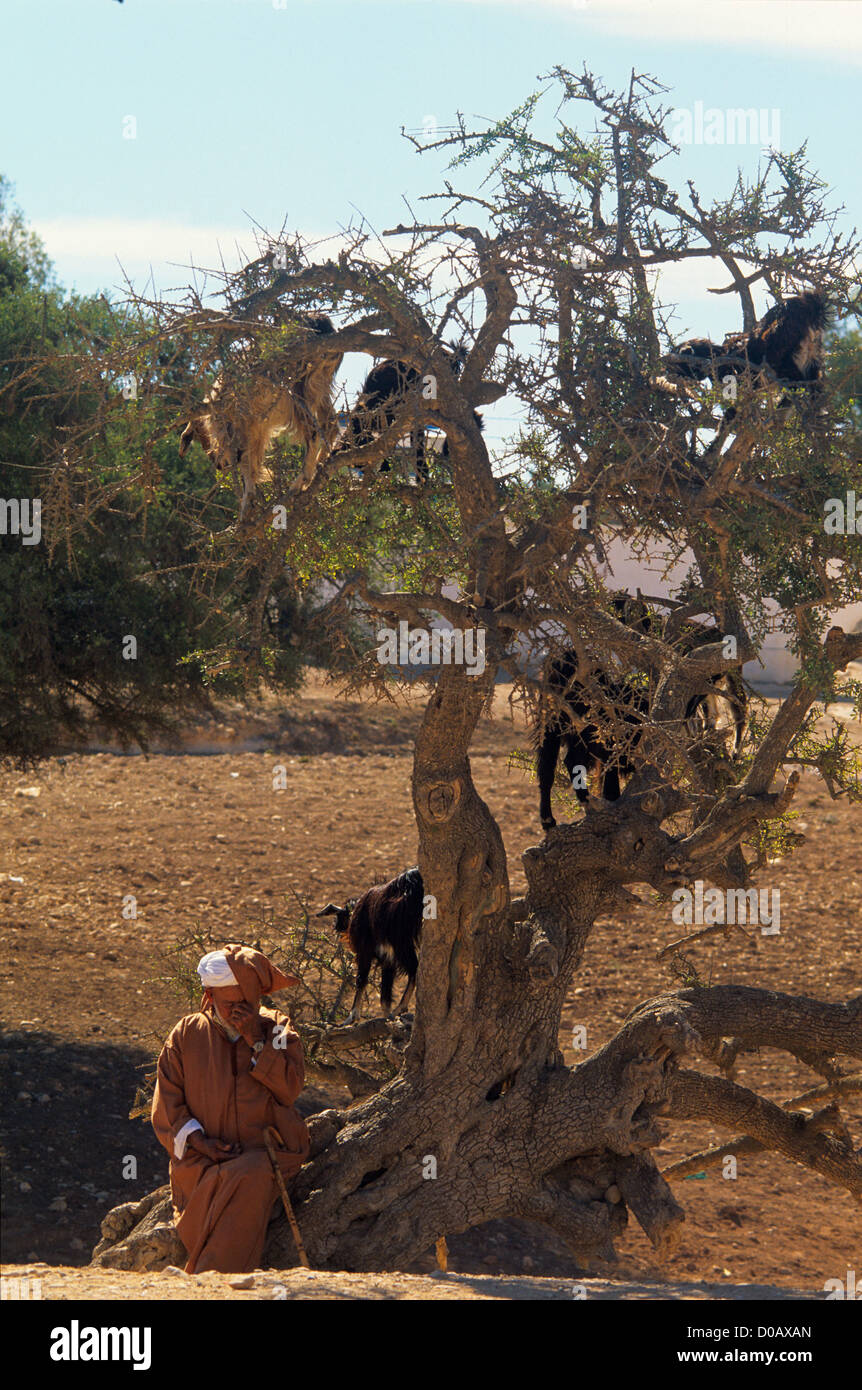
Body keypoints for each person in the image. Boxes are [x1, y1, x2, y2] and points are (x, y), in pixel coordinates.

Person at [151, 943, 309, 1273]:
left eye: (246, 1004)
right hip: (202, 1160)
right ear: (209, 996)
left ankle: (209, 1282)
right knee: (233, 1177)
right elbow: (167, 1105)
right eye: (229, 1005)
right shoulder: (186, 1034)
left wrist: (256, 1040)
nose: (238, 1012)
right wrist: (198, 1142)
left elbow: (290, 1089)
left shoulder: (277, 1028)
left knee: (251, 1172)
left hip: (267, 1151)